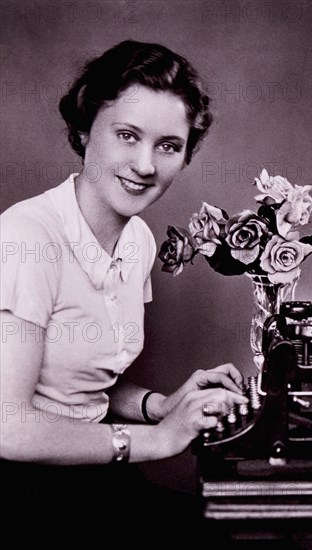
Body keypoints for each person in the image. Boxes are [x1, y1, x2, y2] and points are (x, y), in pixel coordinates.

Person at [0, 40, 248, 543]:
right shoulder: (27, 237)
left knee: (239, 533)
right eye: (128, 135)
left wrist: (161, 404)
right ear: (86, 129)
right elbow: (10, 427)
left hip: (93, 475)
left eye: (168, 145)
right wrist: (157, 439)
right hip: (20, 492)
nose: (146, 164)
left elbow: (79, 387)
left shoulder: (136, 242)